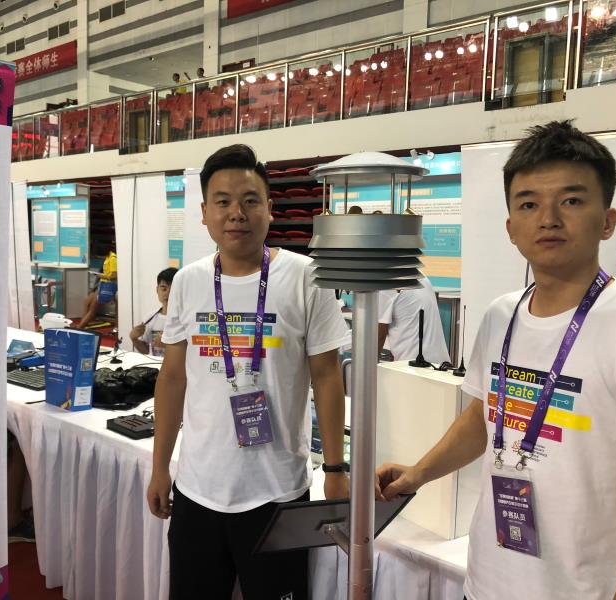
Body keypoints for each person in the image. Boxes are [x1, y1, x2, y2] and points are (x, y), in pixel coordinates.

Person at [376, 121, 616, 600]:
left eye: (571, 200)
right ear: (510, 228)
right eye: (528, 204)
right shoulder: (501, 315)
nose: (548, 219)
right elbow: (482, 418)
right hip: (486, 583)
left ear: (607, 221)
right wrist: (418, 474)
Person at [147, 144, 350, 600]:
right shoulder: (189, 281)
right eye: (222, 201)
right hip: (198, 489)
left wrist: (335, 468)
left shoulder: (306, 276)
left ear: (270, 209)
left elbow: (327, 376)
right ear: (204, 212)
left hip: (277, 491)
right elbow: (173, 378)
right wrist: (160, 467)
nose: (236, 213)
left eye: (249, 200)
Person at [377, 275, 450, 364]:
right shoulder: (421, 276)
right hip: (441, 363)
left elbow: (379, 335)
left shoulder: (385, 284)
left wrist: (366, 367)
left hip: (412, 365)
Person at [129, 267, 178, 356]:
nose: (167, 293)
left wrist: (169, 345)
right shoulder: (149, 318)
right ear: (157, 290)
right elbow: (146, 350)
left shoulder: (186, 318)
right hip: (155, 364)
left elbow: (195, 350)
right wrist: (134, 339)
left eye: (173, 289)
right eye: (164, 289)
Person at [75, 243, 117, 329]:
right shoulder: (107, 258)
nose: (99, 257)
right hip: (102, 284)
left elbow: (114, 276)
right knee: (86, 302)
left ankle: (80, 327)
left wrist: (100, 276)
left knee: (92, 308)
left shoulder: (113, 259)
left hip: (108, 286)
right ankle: (83, 323)